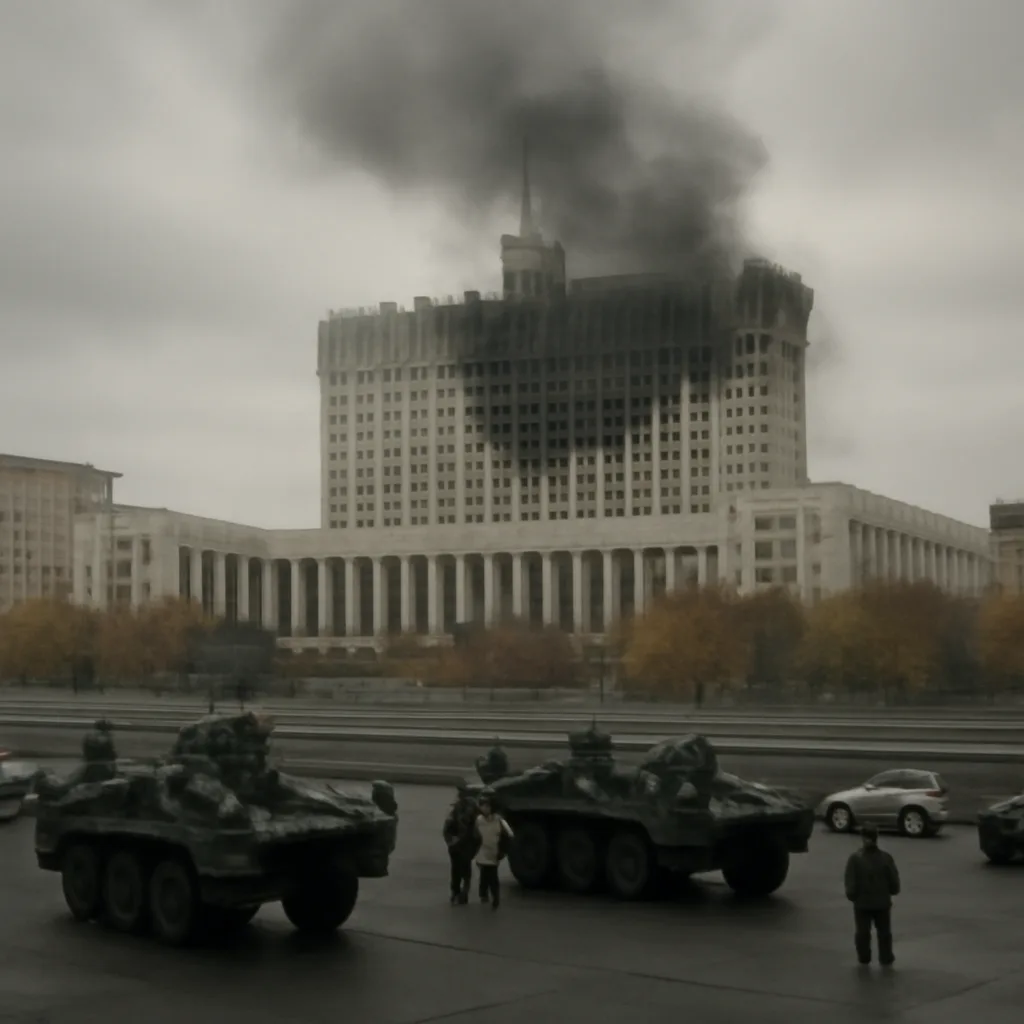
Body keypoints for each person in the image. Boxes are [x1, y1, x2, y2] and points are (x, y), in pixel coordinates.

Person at [844, 824, 901, 966]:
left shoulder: (855, 859)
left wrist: (853, 896)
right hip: (882, 902)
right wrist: (892, 891)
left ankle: (864, 957)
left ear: (864, 838)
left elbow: (850, 881)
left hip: (862, 903)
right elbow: (894, 881)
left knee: (863, 933)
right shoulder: (886, 858)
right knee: (884, 932)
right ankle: (886, 957)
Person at [473, 792, 513, 910]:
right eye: (483, 805)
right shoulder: (478, 820)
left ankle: (495, 898)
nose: (484, 808)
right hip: (481, 853)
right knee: (484, 874)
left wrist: (502, 851)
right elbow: (472, 835)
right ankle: (483, 893)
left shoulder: (499, 821)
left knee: (492, 877)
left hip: (493, 854)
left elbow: (509, 835)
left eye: (487, 806)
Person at [442, 781, 479, 904]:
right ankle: (456, 891)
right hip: (457, 843)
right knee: (457, 868)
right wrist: (451, 841)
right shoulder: (457, 807)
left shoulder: (472, 807)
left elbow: (476, 825)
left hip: (467, 842)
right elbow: (448, 826)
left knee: (464, 867)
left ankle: (463, 892)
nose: (461, 795)